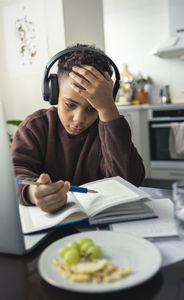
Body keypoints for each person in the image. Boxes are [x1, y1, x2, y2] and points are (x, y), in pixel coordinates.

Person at [11, 44, 145, 213]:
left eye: (92, 109)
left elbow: (129, 182)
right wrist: (31, 192)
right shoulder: (35, 127)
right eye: (70, 105)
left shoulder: (108, 127)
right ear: (53, 93)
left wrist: (107, 110)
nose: (79, 119)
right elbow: (14, 172)